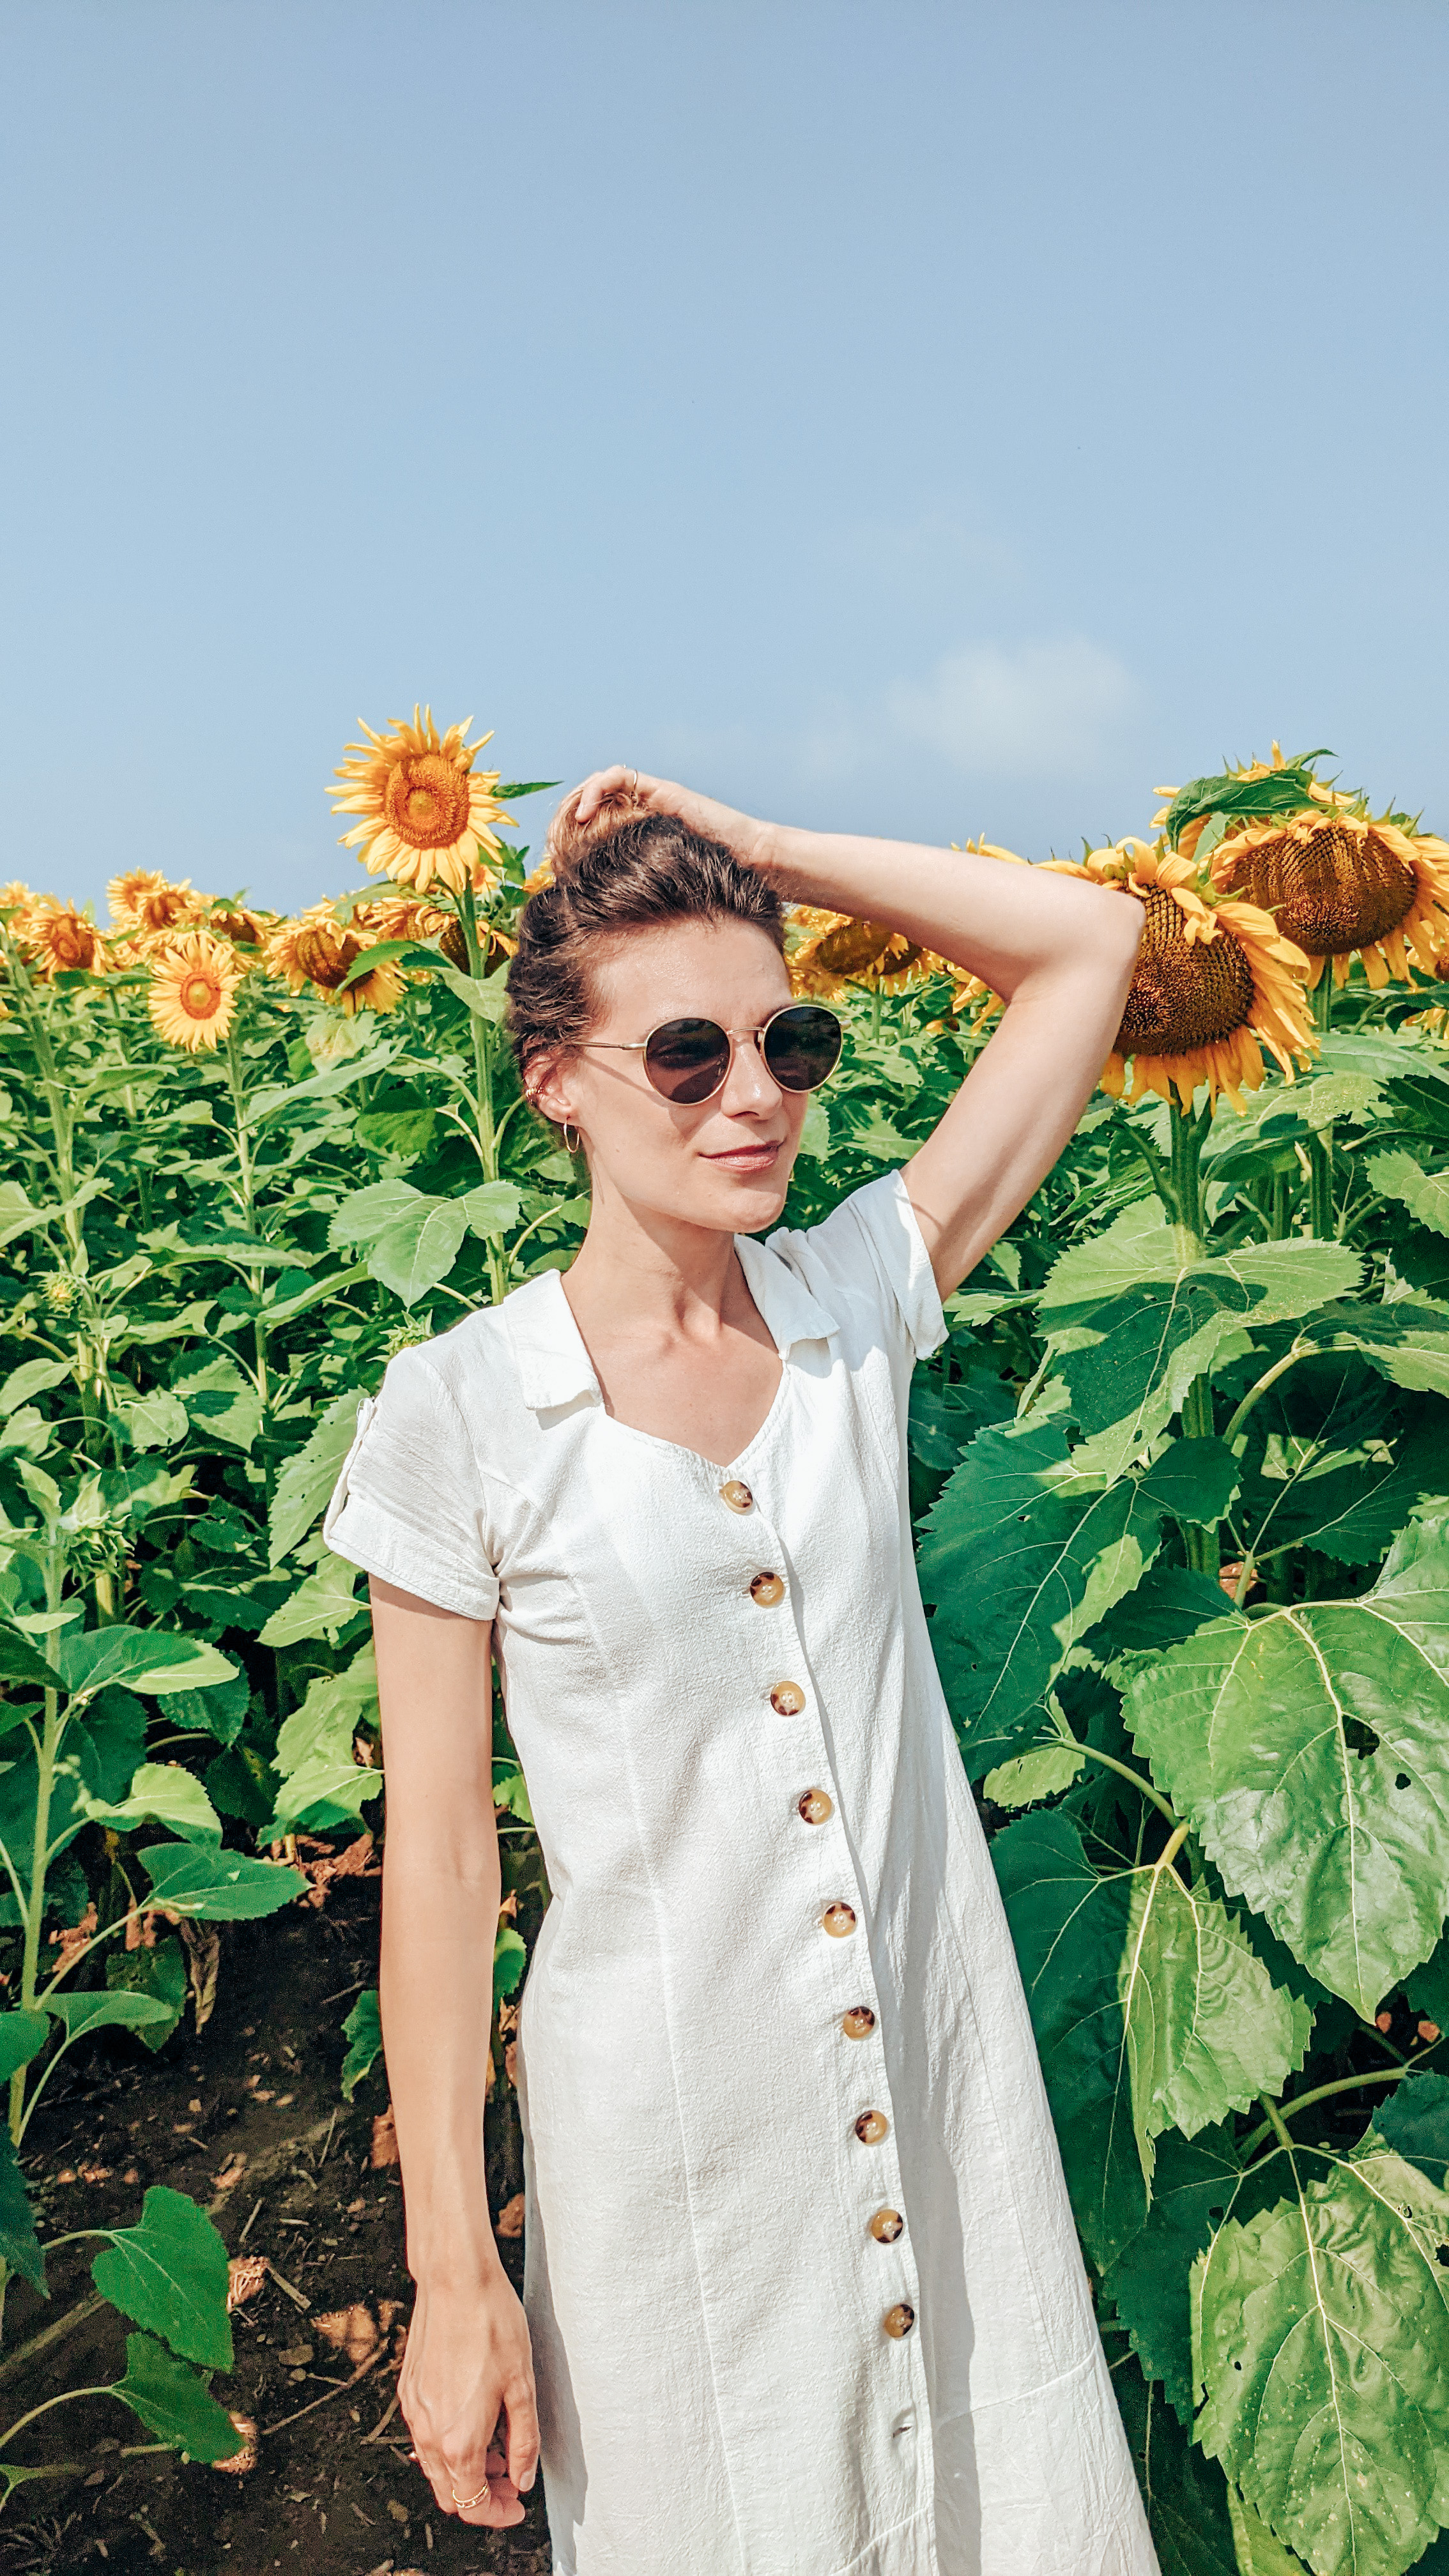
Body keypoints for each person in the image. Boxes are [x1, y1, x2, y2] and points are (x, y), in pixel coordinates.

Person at [323, 767, 1158, 2576]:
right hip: (679, 2167)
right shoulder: (459, 1412)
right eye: (685, 1054)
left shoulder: (854, 1303)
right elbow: (446, 1870)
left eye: (790, 1037)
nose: (756, 1093)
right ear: (555, 1077)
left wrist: (757, 848)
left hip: (938, 2116)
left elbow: (1090, 942)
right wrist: (453, 2269)